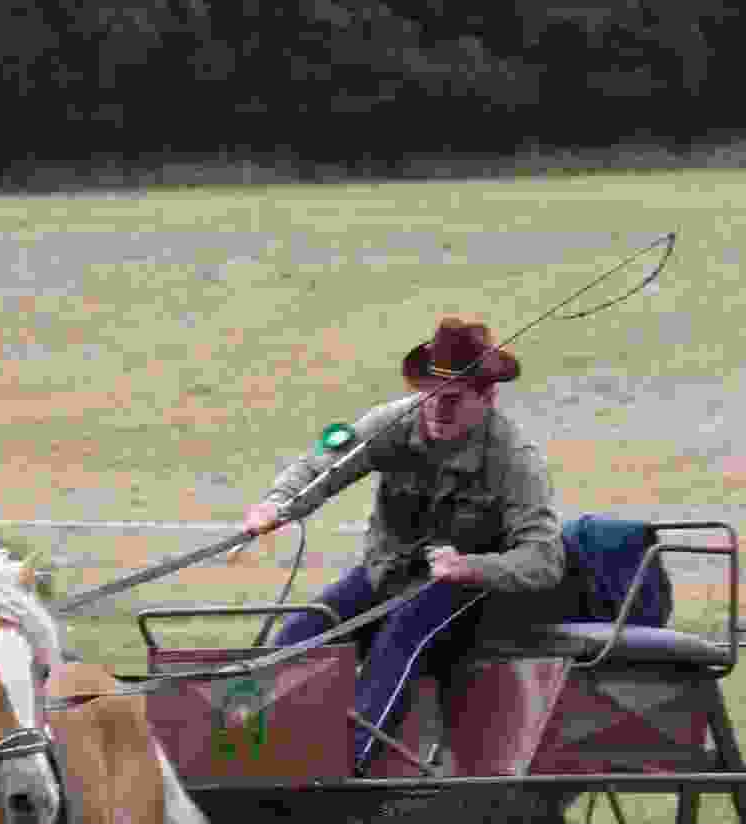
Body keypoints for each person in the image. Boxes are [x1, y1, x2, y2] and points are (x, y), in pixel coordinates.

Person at [242, 315, 570, 773]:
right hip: (386, 575)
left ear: (488, 397)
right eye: (429, 396)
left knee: (404, 634)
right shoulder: (392, 423)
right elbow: (322, 465)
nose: (436, 409)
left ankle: (348, 771)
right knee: (303, 632)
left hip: (466, 594)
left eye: (452, 399)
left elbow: (543, 559)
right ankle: (245, 751)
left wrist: (471, 566)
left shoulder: (514, 460)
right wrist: (277, 505)